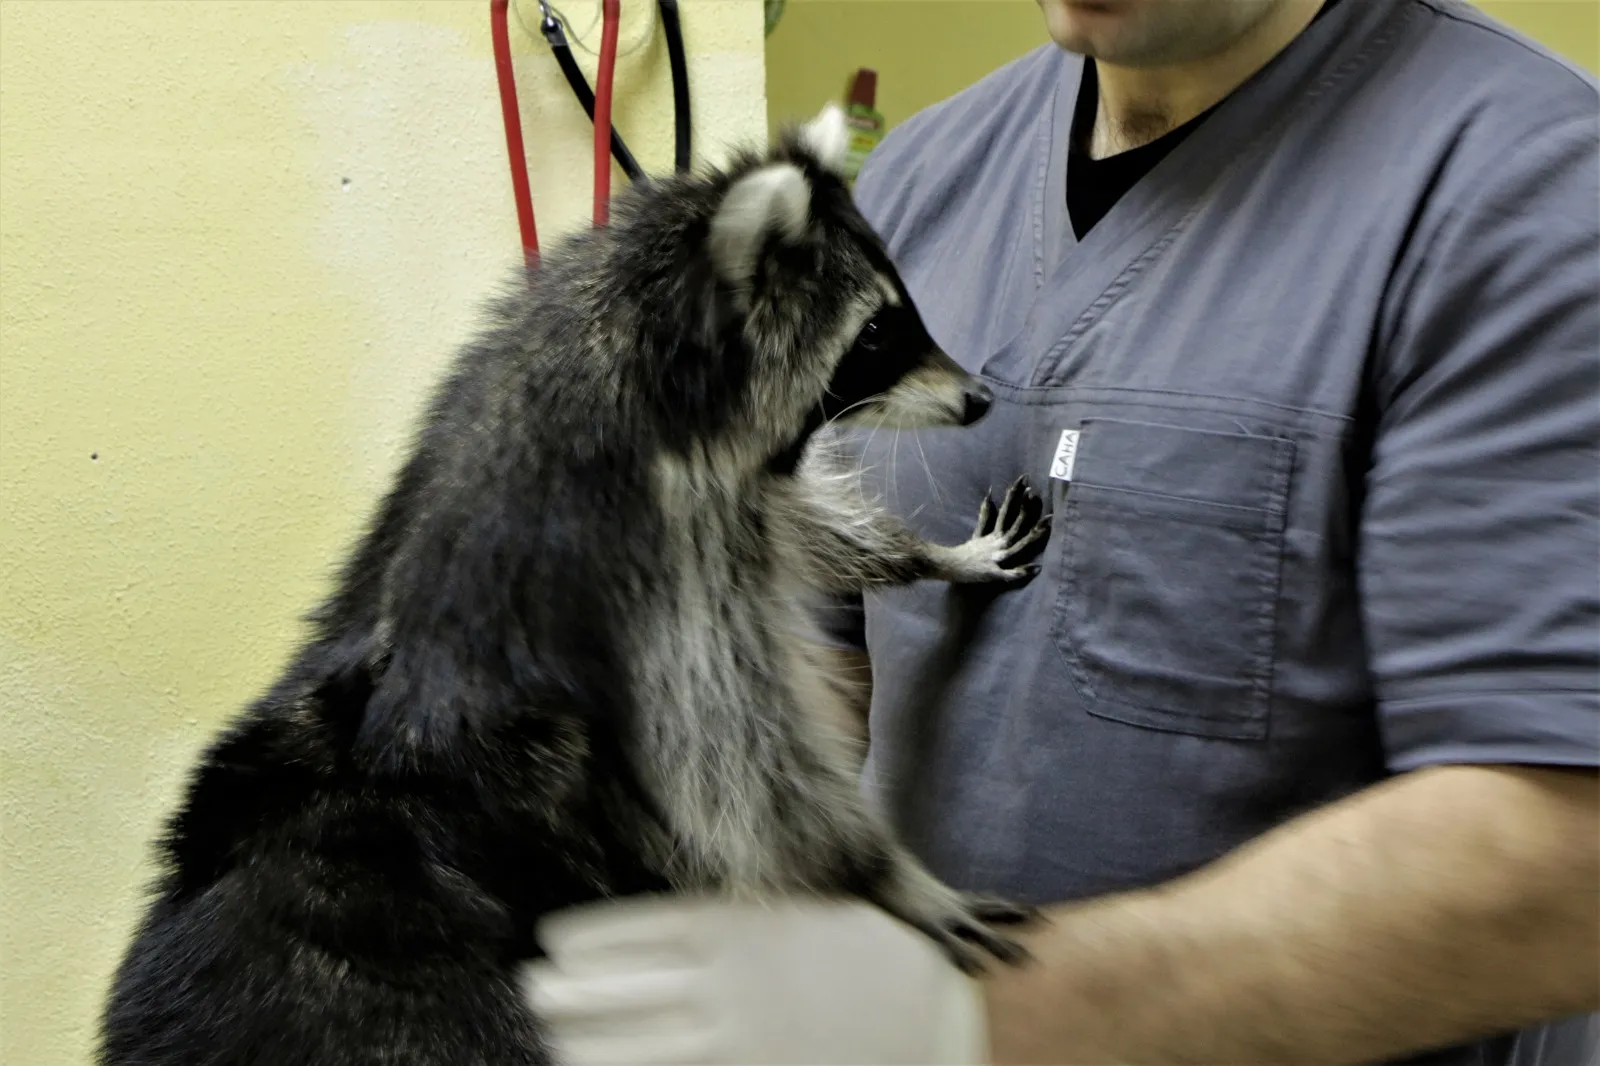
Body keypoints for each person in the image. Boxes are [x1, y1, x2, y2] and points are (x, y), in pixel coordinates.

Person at [523, 0, 1600, 1062]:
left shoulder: (1523, 186)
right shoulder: (919, 180)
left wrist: (972, 1014)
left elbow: (1563, 859)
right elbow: (825, 668)